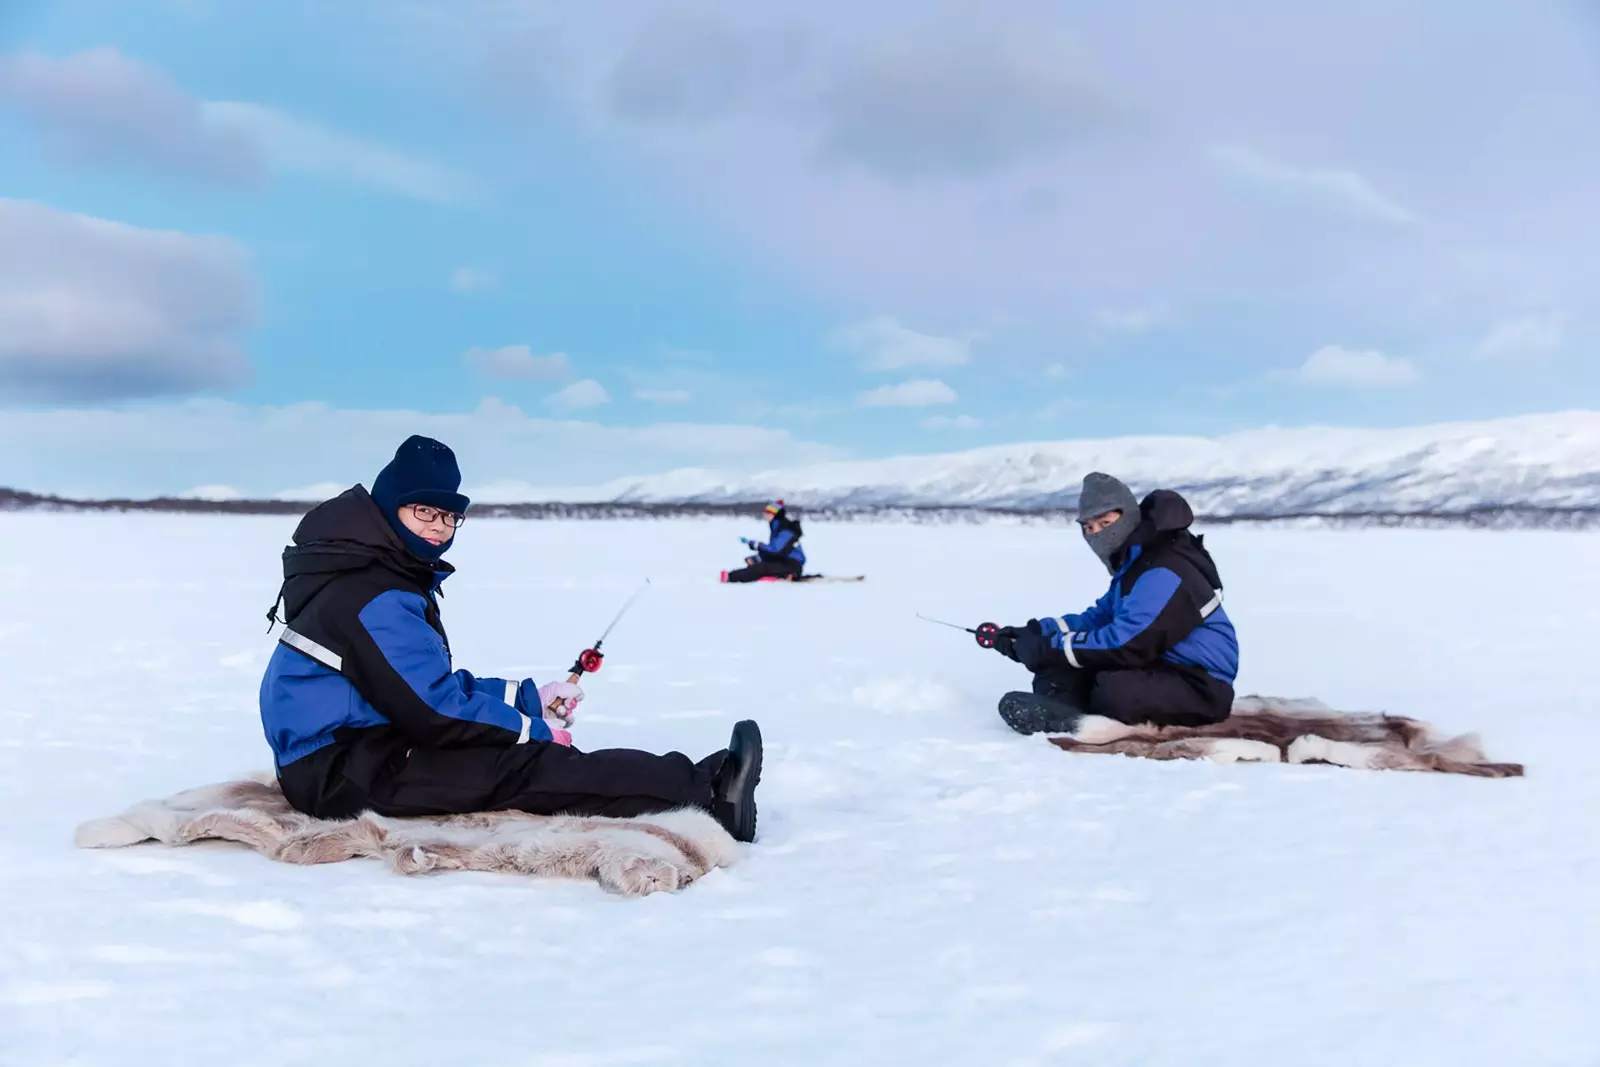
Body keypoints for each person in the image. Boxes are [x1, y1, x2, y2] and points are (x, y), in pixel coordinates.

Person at [259, 435, 762, 842]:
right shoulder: (374, 593)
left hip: (353, 746)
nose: (440, 529)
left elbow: (419, 686)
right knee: (528, 768)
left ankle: (696, 786)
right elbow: (434, 713)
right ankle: (711, 794)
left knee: (517, 756)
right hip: (341, 771)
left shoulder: (376, 573)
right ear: (391, 510)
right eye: (424, 513)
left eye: (449, 515)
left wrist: (526, 698)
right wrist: (532, 732)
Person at [991, 472, 1239, 737]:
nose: (1097, 533)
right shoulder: (1135, 564)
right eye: (1089, 527)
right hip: (1157, 665)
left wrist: (1048, 647)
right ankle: (1063, 712)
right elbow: (1100, 617)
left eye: (1105, 522)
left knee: (1113, 690)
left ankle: (1082, 722)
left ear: (1129, 517)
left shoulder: (1165, 570)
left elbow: (1126, 643)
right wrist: (1037, 632)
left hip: (1201, 684)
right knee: (1058, 667)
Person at [722, 500, 806, 583]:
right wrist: (757, 558)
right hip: (784, 561)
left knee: (760, 568)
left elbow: (776, 550)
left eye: (768, 513)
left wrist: (757, 545)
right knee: (757, 564)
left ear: (775, 515)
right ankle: (779, 575)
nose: (766, 515)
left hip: (792, 565)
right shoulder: (777, 528)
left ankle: (730, 577)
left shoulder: (786, 531)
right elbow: (775, 553)